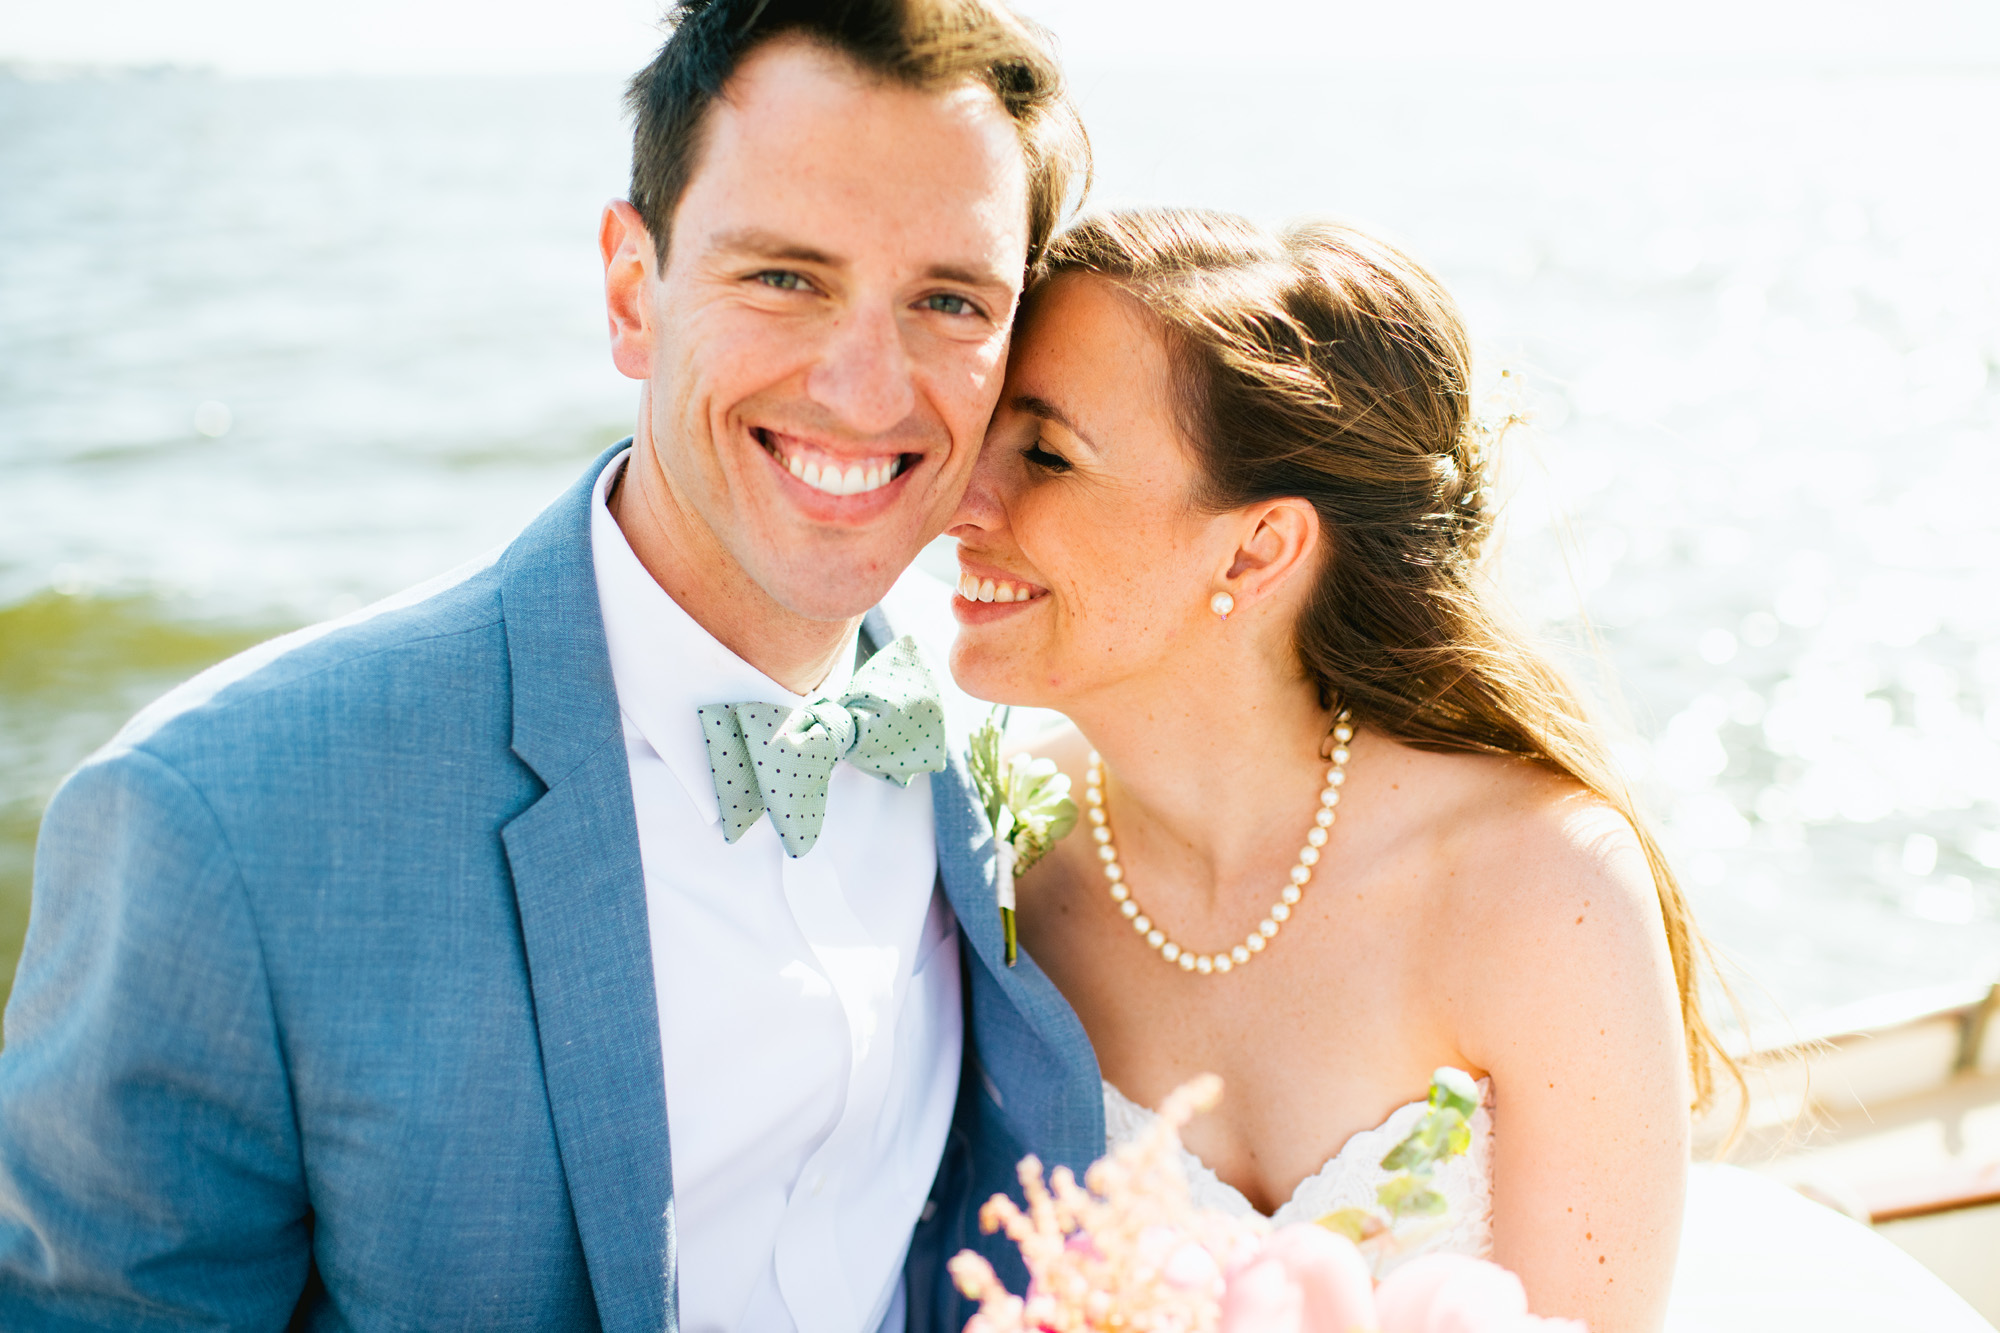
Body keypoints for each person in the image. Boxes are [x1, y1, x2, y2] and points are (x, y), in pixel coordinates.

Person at [0, 2, 1097, 1329]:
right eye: (785, 279)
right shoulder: (220, 823)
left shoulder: (997, 698)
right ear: (634, 292)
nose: (867, 389)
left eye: (948, 300)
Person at [935, 209, 1728, 1333]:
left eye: (1046, 456)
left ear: (1255, 549)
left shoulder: (1544, 893)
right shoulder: (999, 860)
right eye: (984, 437)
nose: (957, 499)